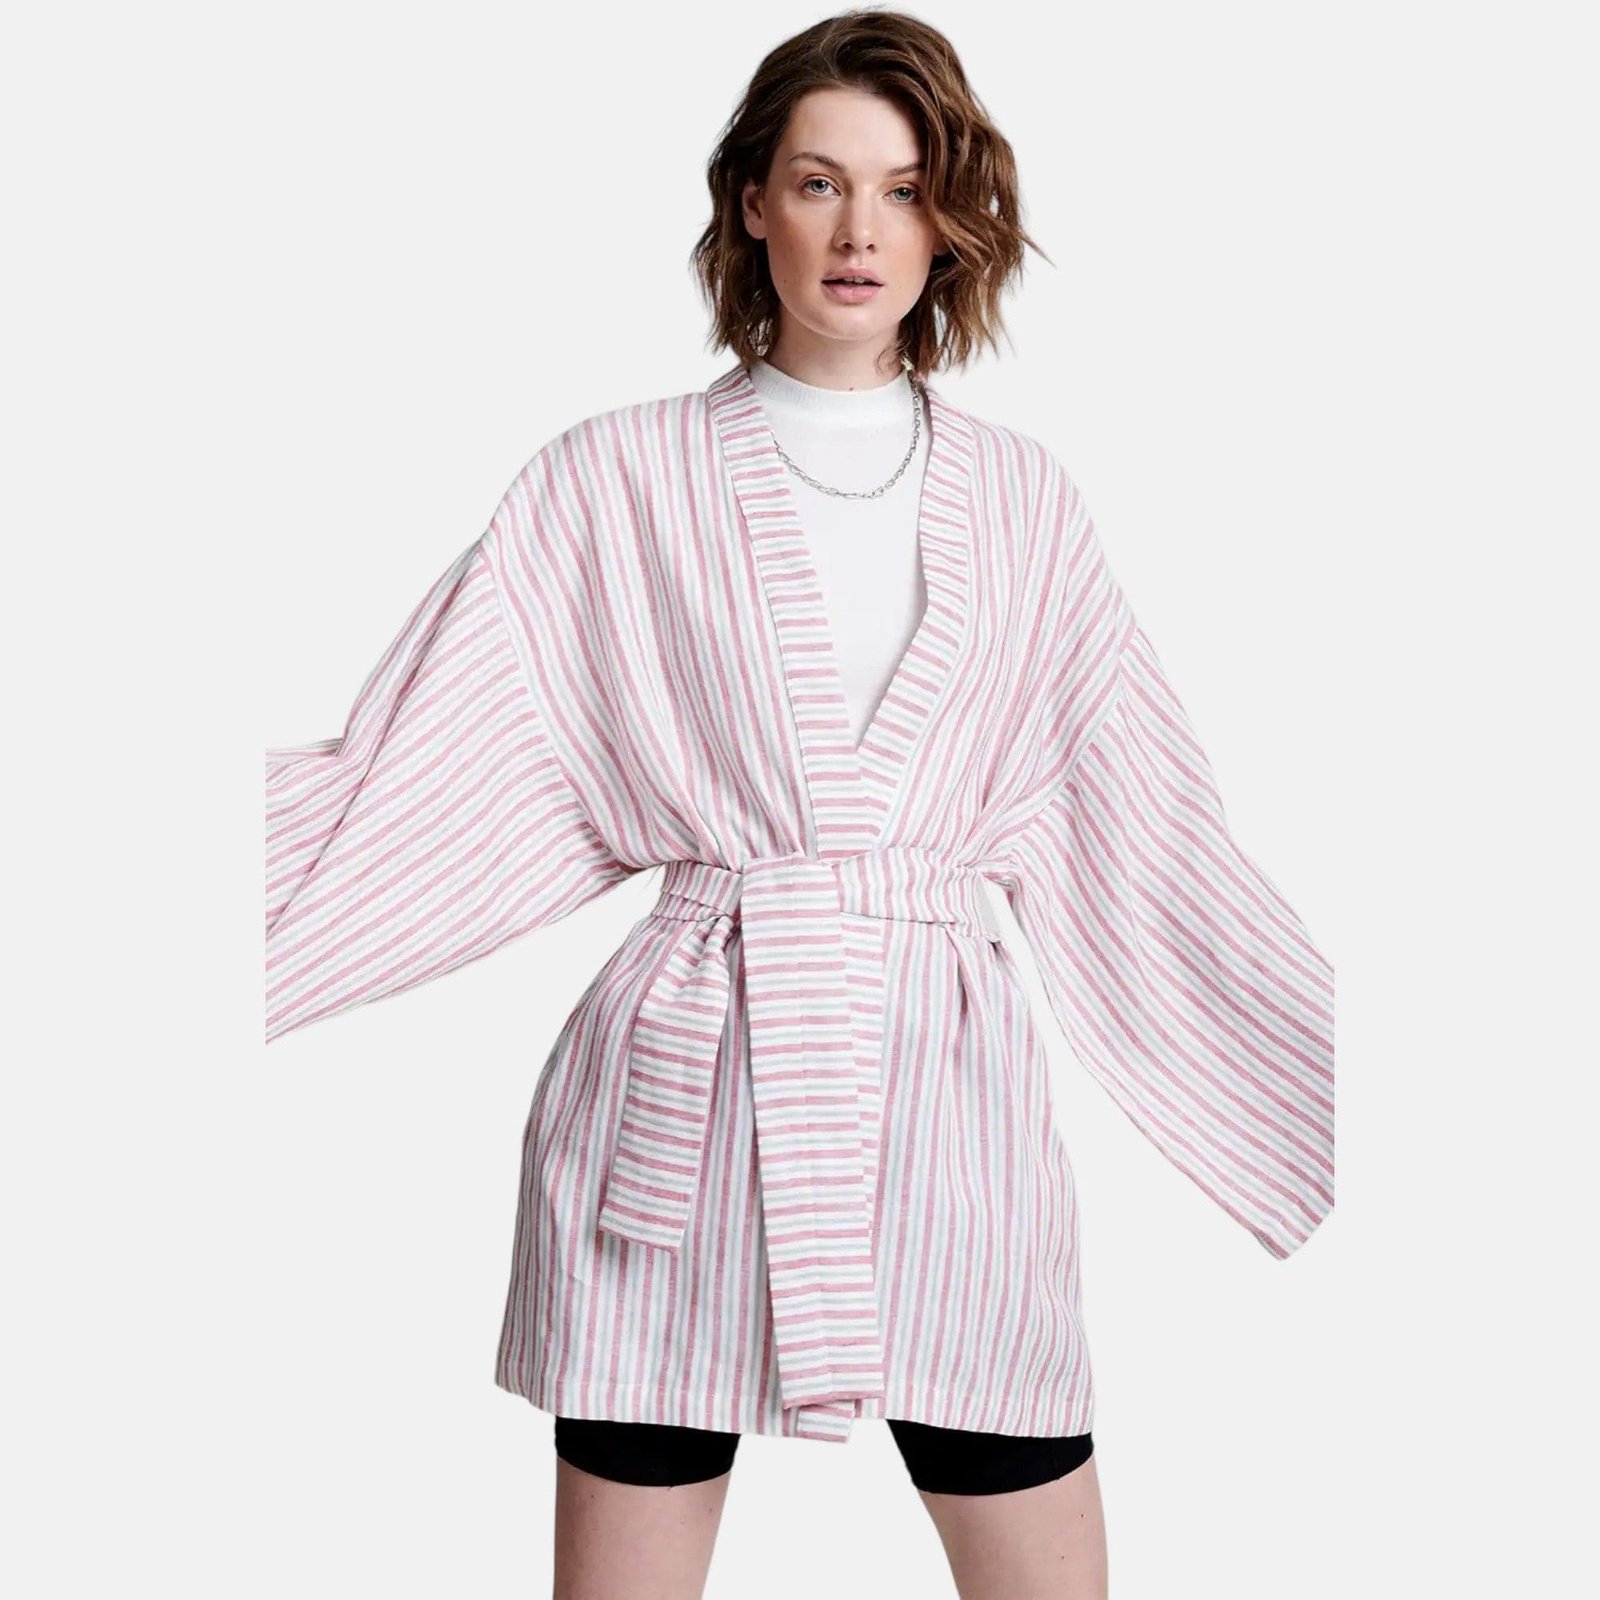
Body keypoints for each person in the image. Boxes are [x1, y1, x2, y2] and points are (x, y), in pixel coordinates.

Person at [265, 12, 1333, 1599]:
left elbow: (1144, 826)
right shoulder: (609, 478)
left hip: (945, 1098)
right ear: (751, 200)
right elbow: (426, 770)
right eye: (820, 182)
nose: (859, 232)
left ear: (949, 221)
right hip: (680, 1088)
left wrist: (1347, 1094)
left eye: (904, 191)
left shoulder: (1026, 501)